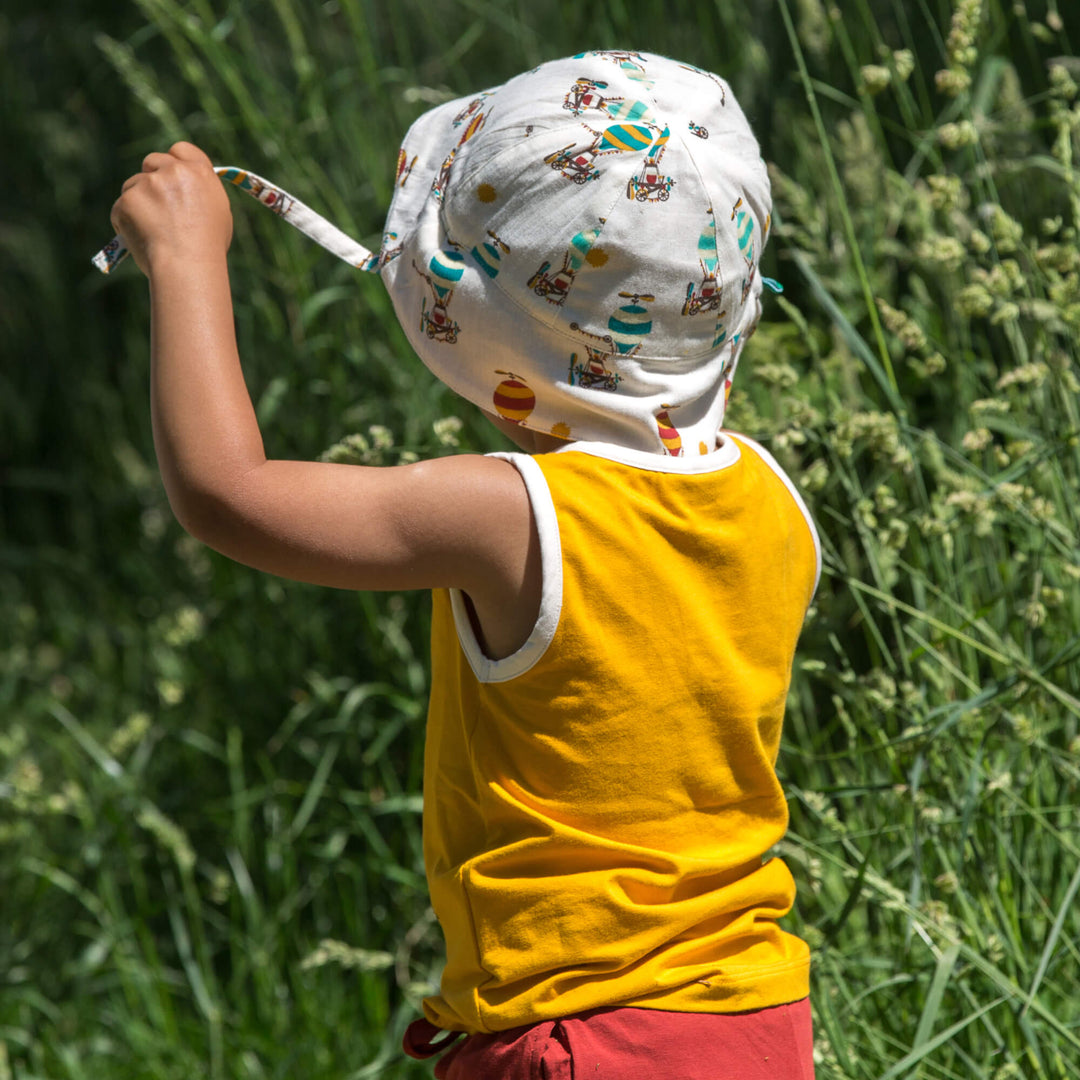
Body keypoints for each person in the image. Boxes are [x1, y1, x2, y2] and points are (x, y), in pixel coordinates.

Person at [109, 50, 820, 1080]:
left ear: (480, 333)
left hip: (586, 1042)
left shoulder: (514, 518)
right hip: (758, 1019)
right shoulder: (771, 504)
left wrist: (186, 260)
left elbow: (227, 493)